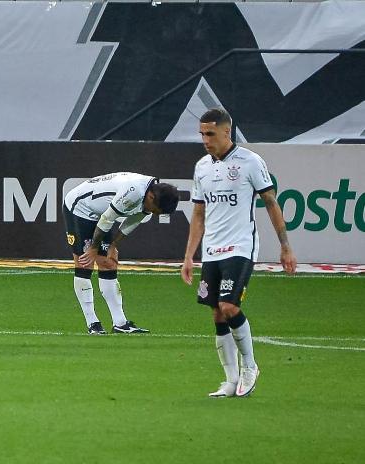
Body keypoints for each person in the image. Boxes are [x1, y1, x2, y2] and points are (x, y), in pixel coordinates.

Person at [181, 108, 296, 398]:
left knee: (230, 307)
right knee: (217, 314)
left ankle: (250, 367)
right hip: (212, 249)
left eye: (210, 134)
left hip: (241, 246)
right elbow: (198, 213)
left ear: (226, 132)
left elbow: (270, 201)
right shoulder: (202, 167)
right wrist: (188, 257)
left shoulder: (250, 162)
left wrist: (285, 246)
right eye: (202, 134)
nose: (205, 139)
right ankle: (230, 380)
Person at [63, 172, 180, 334]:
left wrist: (113, 246)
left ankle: (120, 323)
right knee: (85, 262)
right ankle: (93, 323)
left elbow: (133, 220)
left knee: (108, 262)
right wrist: (94, 248)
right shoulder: (133, 192)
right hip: (79, 207)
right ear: (151, 197)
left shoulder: (151, 193)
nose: (154, 213)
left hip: (101, 213)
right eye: (155, 211)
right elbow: (107, 219)